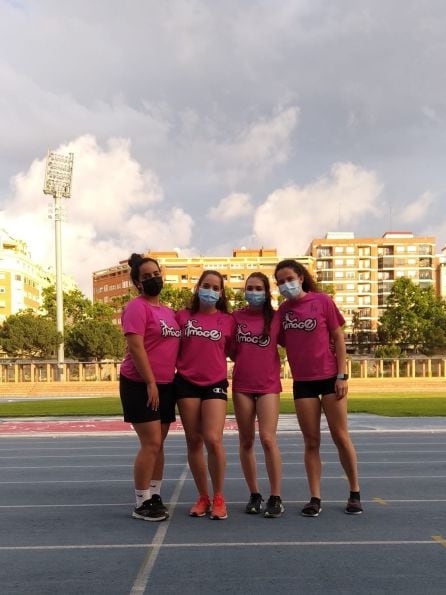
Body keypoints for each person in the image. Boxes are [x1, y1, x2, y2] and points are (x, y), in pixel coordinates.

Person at [274, 259, 363, 516]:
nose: (285, 285)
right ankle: (315, 497)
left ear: (301, 277)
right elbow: (276, 339)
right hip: (303, 382)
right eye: (280, 282)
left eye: (288, 279)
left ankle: (354, 492)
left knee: (340, 435)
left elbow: (338, 336)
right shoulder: (283, 311)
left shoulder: (322, 301)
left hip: (330, 378)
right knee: (311, 441)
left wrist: (342, 374)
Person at [119, 253, 181, 521]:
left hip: (166, 384)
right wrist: (150, 382)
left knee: (159, 444)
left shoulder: (168, 312)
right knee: (151, 442)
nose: (153, 279)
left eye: (156, 274)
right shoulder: (136, 307)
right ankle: (141, 501)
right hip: (140, 384)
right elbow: (136, 346)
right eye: (146, 277)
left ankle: (155, 495)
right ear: (137, 283)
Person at [175, 270, 234, 520]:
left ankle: (218, 496)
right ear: (198, 287)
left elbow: (235, 350)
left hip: (215, 383)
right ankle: (203, 496)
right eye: (206, 285)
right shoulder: (182, 317)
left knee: (213, 439)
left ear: (221, 293)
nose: (210, 290)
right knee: (194, 441)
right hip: (186, 382)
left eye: (215, 287)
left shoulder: (227, 321)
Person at [231, 272, 284, 518]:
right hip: (242, 385)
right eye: (249, 288)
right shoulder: (236, 318)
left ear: (266, 292)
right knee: (246, 441)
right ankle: (254, 494)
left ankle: (275, 496)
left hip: (268, 386)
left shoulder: (276, 318)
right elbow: (230, 349)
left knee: (267, 439)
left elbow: (293, 340)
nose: (253, 292)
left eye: (258, 288)